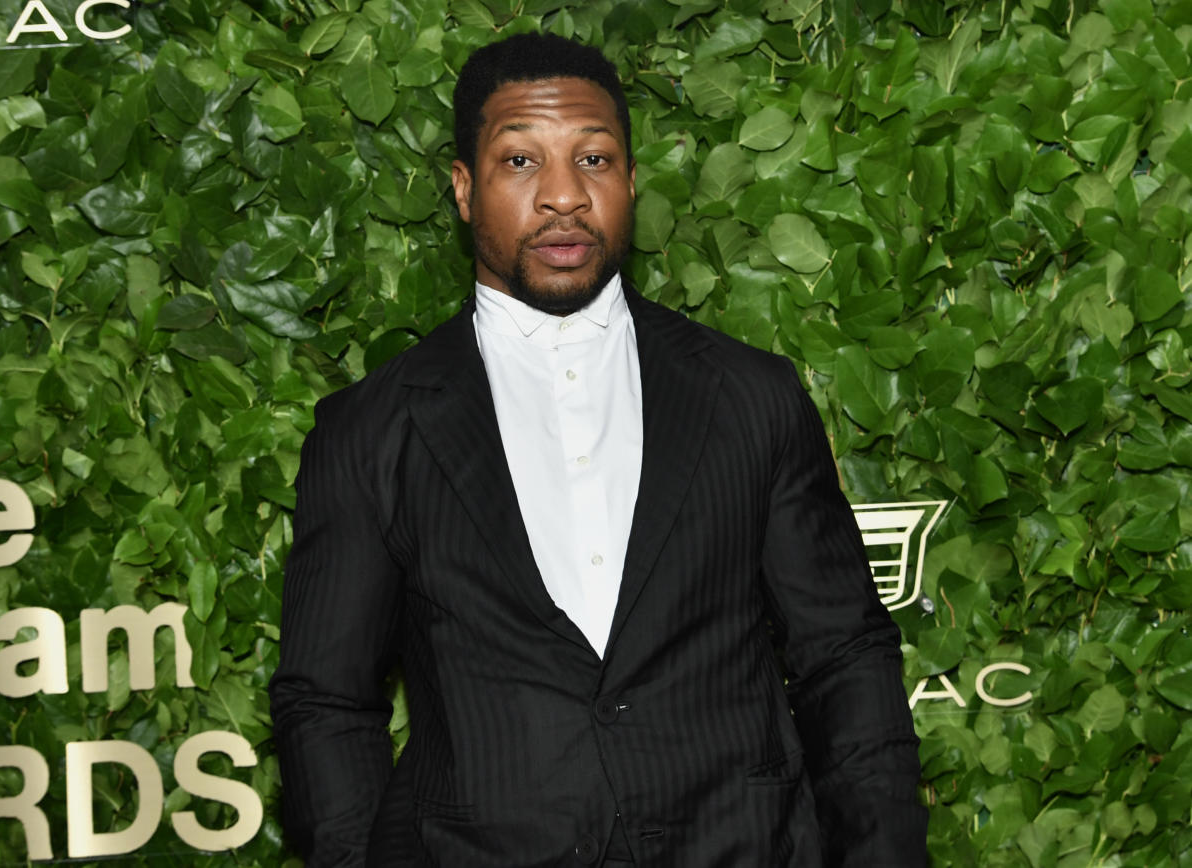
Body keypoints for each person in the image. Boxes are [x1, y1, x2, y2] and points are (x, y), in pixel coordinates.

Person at [269, 32, 926, 868]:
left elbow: (845, 658)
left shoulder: (750, 397)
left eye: (594, 158)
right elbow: (327, 702)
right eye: (519, 162)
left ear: (631, 179)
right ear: (464, 190)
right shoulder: (371, 429)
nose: (563, 197)